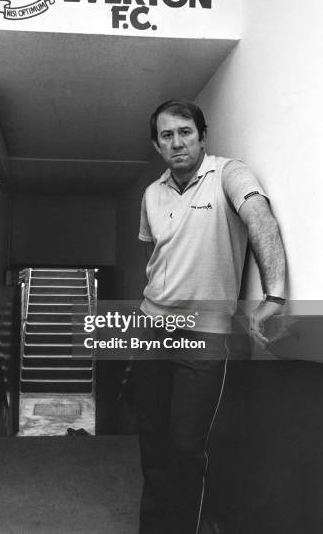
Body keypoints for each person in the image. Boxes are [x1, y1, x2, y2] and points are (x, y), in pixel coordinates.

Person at [134, 99, 286, 534]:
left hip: (204, 335)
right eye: (167, 135)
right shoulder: (151, 193)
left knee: (185, 445)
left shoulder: (229, 174)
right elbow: (153, 254)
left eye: (185, 131)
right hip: (150, 328)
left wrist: (274, 293)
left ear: (202, 135)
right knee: (152, 440)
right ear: (156, 144)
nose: (177, 142)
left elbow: (261, 219)